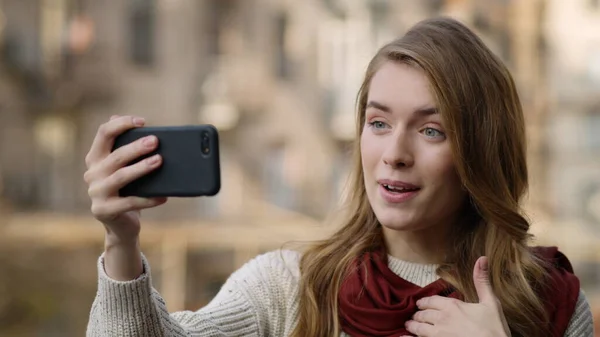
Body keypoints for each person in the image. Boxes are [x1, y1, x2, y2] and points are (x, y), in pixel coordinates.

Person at [85, 17, 594, 337]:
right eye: (378, 123)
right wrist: (121, 242)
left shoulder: (548, 302)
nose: (394, 153)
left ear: (481, 152)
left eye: (432, 130)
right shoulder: (287, 288)